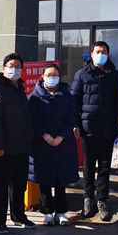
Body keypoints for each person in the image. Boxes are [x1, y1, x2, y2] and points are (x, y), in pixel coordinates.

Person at [71, 41, 118, 222]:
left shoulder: (115, 75)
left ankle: (102, 200)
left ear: (108, 54)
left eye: (104, 52)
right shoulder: (82, 74)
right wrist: (75, 123)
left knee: (105, 166)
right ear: (91, 54)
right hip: (88, 127)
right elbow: (74, 100)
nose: (101, 55)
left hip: (108, 128)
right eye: (98, 51)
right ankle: (87, 198)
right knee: (88, 166)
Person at [0, 53, 34, 233]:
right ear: (4, 68)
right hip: (4, 147)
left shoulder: (19, 87)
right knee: (1, 185)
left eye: (18, 66)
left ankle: (18, 215)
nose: (15, 69)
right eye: (11, 65)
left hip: (21, 145)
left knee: (19, 184)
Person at [27, 64, 78, 226]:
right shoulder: (35, 96)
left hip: (63, 143)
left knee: (61, 180)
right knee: (45, 179)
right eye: (48, 74)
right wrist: (45, 135)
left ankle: (61, 212)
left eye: (55, 75)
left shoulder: (67, 95)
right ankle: (47, 211)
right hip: (42, 143)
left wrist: (61, 136)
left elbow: (71, 117)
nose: (51, 77)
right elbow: (33, 119)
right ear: (42, 76)